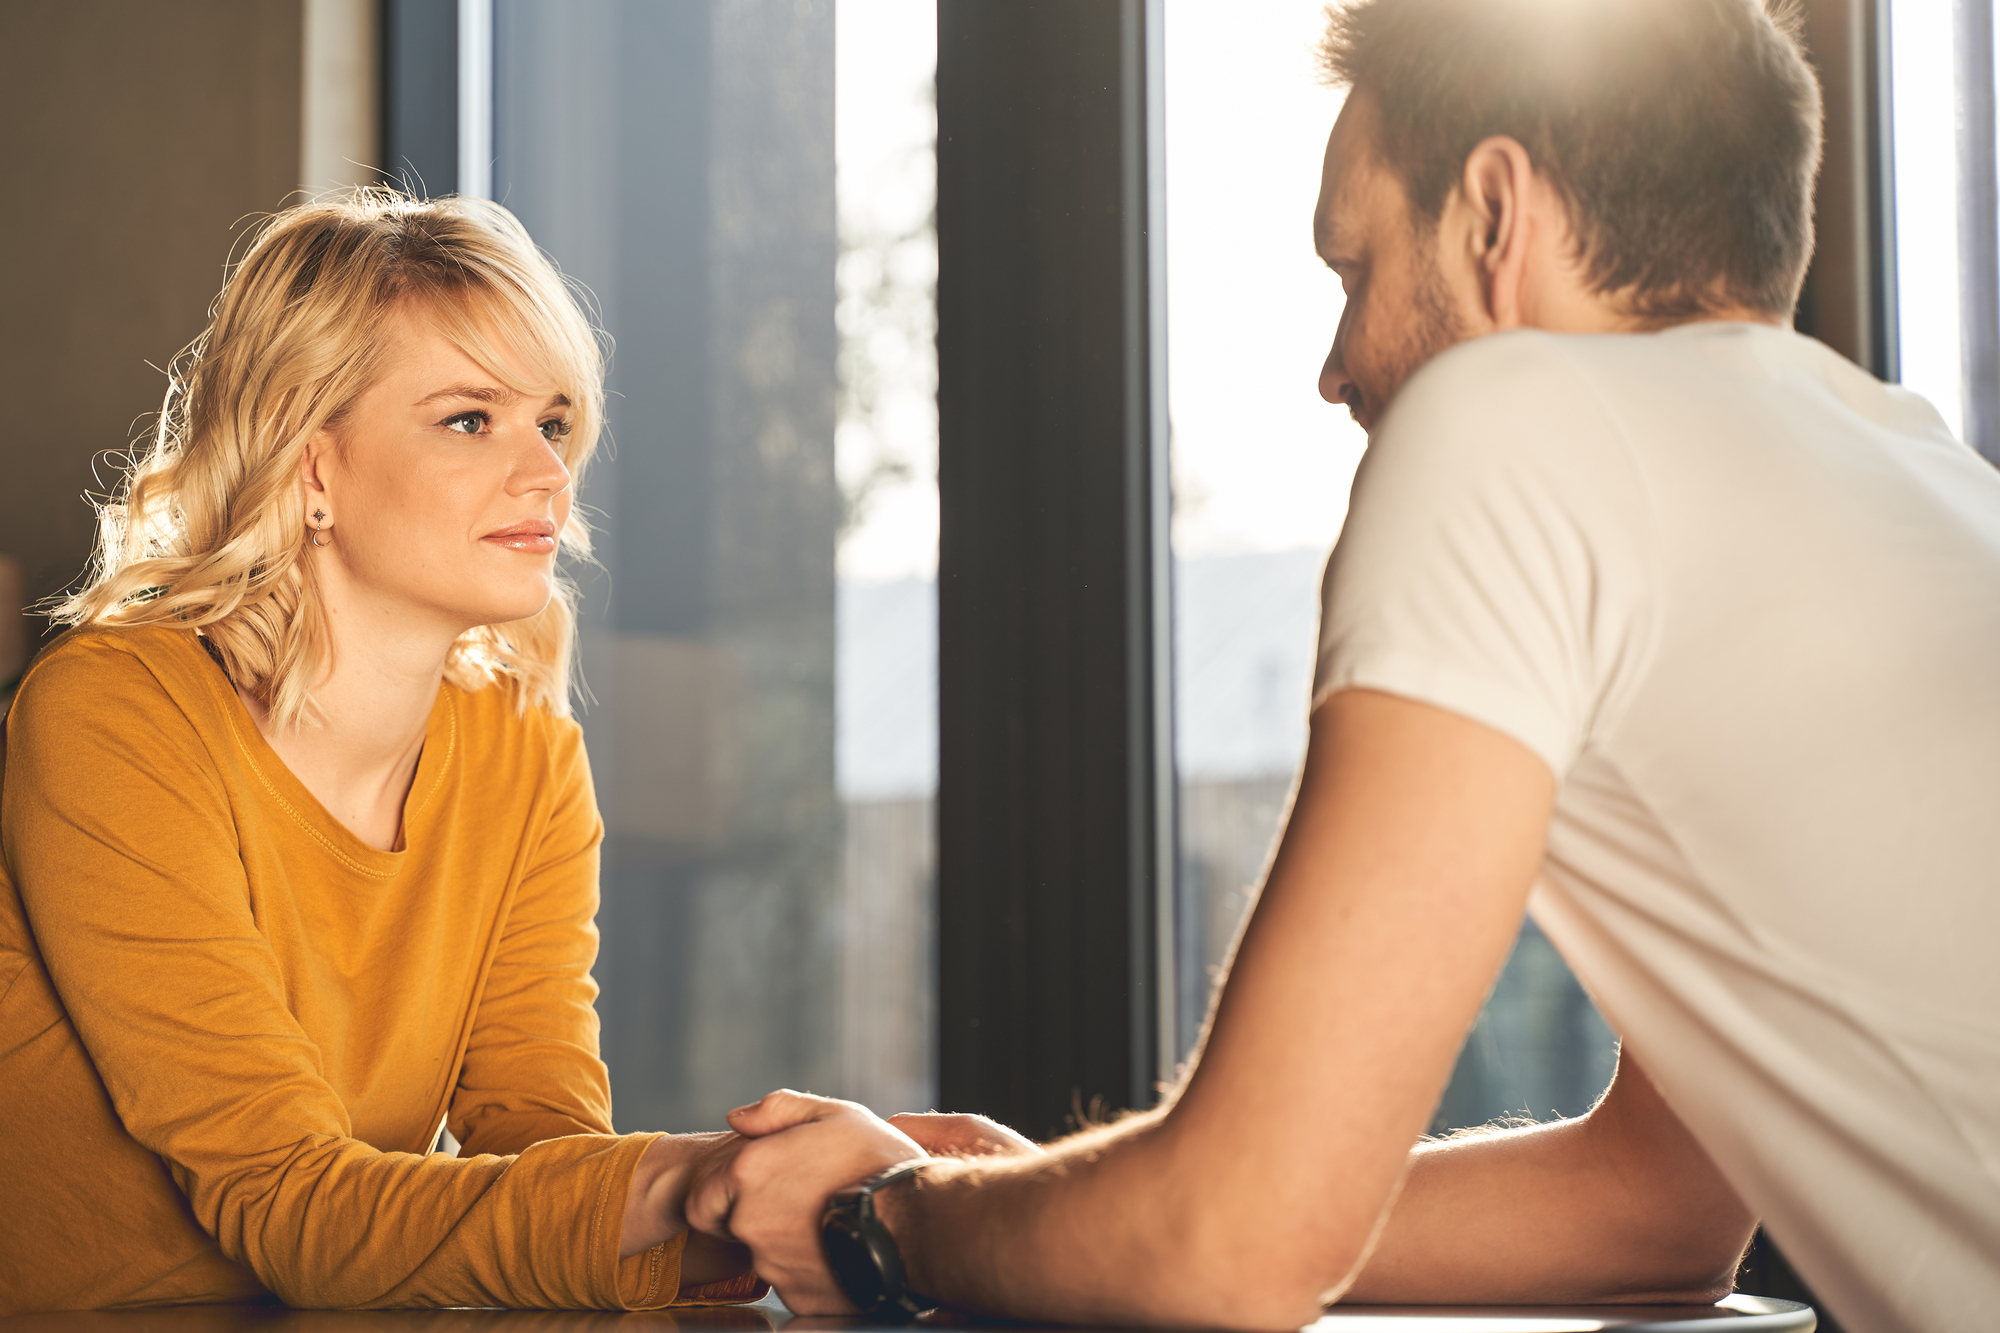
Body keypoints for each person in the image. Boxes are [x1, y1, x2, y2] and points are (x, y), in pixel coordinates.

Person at [680, 3, 2000, 1332]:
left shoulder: (1515, 419)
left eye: (1354, 272)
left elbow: (1231, 1246)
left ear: (1494, 217)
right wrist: (1054, 1201)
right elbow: (1652, 1209)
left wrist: (877, 1224)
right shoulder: (1918, 469)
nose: (1337, 367)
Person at [0, 192, 779, 1311]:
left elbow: (545, 1152)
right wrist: (699, 1187)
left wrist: (794, 1198)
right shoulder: (114, 718)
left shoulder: (525, 753)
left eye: (552, 423)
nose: (548, 478)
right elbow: (289, 1201)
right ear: (313, 470)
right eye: (472, 419)